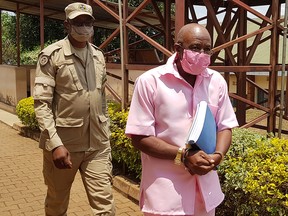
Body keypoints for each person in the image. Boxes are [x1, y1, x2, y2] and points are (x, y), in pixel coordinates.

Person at [125, 23, 239, 216]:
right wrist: (183, 156)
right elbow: (139, 136)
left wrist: (217, 156)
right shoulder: (150, 82)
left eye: (207, 49)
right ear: (177, 49)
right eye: (195, 47)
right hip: (166, 196)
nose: (202, 53)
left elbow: (225, 126)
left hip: (205, 193)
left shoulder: (216, 81)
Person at [33, 2, 115, 216]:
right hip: (64, 145)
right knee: (57, 203)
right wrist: (54, 145)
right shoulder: (51, 56)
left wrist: (106, 133)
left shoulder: (98, 56)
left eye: (88, 22)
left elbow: (101, 97)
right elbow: (42, 104)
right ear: (66, 25)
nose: (85, 27)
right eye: (79, 22)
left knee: (105, 206)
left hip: (97, 145)